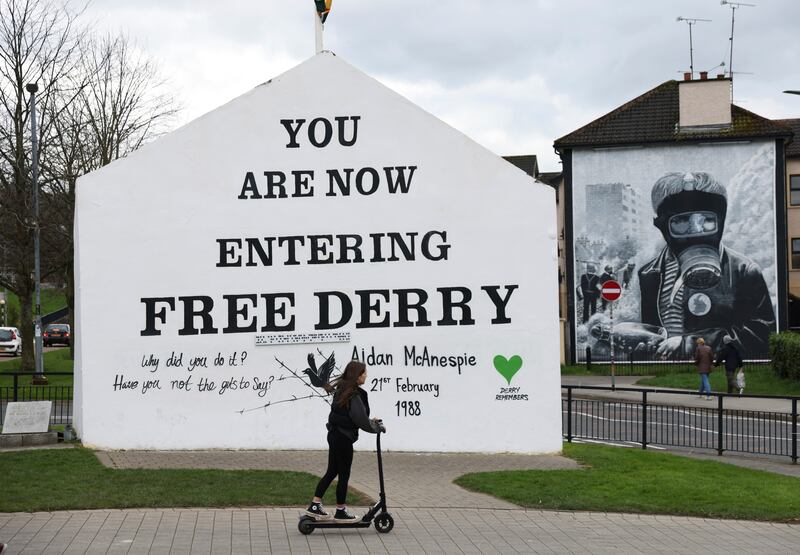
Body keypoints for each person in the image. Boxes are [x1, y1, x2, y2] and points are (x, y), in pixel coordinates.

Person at [638, 172, 775, 359]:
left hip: (713, 366)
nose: (696, 231)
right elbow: (652, 330)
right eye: (682, 221)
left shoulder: (744, 271)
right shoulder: (649, 274)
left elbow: (761, 335)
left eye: (706, 220)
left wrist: (690, 344)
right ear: (661, 225)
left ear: (721, 220)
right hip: (664, 372)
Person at [306, 360, 383, 522]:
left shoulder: (342, 390)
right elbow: (360, 420)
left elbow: (353, 416)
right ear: (357, 376)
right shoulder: (353, 394)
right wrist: (376, 427)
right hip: (343, 438)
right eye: (364, 373)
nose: (366, 375)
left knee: (332, 471)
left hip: (334, 435)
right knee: (344, 474)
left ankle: (315, 505)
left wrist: (371, 421)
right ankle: (340, 511)